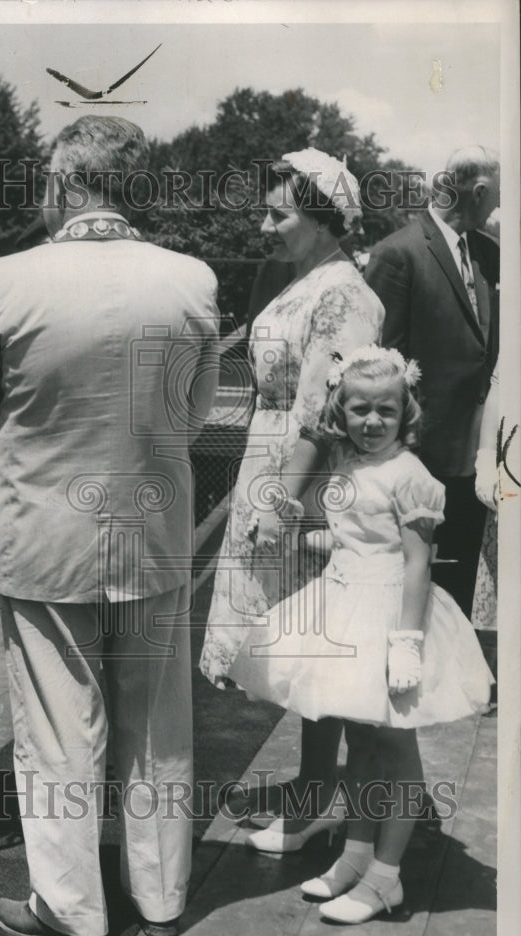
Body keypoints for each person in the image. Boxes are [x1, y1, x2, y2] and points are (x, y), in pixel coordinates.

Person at [0, 116, 219, 936]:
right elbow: (199, 413)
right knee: (158, 722)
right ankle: (163, 894)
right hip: (152, 530)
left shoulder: (4, 281)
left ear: (66, 183)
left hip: (45, 534)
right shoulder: (192, 280)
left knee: (59, 725)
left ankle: (69, 903)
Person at [228, 346, 492, 920]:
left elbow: (415, 563)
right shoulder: (348, 463)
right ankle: (355, 853)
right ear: (339, 411)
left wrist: (406, 645)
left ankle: (387, 877)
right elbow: (359, 537)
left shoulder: (412, 477)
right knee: (361, 742)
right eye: (358, 409)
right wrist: (297, 534)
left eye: (386, 412)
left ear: (407, 413)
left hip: (393, 615)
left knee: (394, 745)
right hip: (344, 604)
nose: (371, 422)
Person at [199, 149, 384, 839]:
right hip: (273, 464)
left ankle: (326, 801)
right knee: (300, 637)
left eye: (279, 213)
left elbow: (324, 409)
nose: (265, 225)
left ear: (321, 215)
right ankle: (311, 783)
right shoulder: (301, 281)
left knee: (320, 638)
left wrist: (280, 501)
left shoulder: (345, 294)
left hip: (309, 482)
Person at [365, 145, 500, 618]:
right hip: (419, 459)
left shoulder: (489, 254)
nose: (497, 208)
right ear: (479, 193)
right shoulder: (397, 253)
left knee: (458, 595)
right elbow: (380, 365)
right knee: (409, 592)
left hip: (477, 460)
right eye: (496, 198)